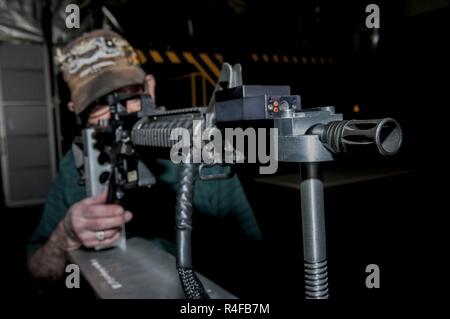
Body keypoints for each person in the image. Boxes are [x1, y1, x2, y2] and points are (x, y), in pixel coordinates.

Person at [27, 30, 261, 285]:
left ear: (150, 87)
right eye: (97, 103)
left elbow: (252, 261)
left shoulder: (202, 151)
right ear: (75, 109)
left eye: (127, 93)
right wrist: (65, 235)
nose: (118, 113)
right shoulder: (74, 166)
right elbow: (37, 269)